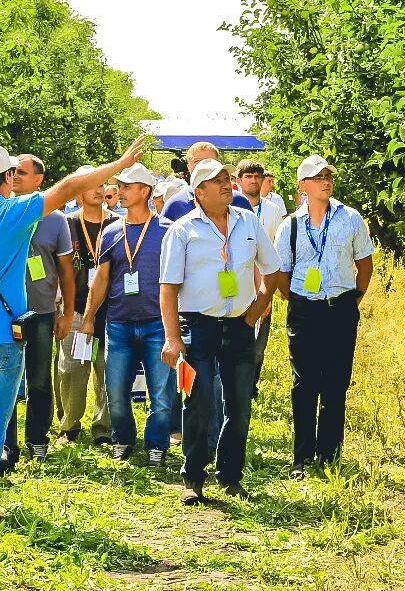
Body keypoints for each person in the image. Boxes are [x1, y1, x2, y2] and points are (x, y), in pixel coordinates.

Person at [0, 137, 145, 521]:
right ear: (8, 177)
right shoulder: (14, 212)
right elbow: (68, 188)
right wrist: (118, 164)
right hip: (3, 336)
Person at [160, 159, 280, 504]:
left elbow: (271, 271)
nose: (227, 184)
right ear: (199, 192)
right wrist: (172, 337)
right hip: (198, 327)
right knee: (198, 402)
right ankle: (193, 477)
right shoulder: (182, 230)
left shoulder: (249, 223)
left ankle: (230, 476)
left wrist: (255, 311)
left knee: (239, 405)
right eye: (217, 181)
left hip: (239, 326)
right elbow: (167, 288)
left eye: (228, 178)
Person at [273, 156, 374, 478]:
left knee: (335, 384)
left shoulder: (351, 218)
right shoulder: (290, 225)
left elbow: (365, 265)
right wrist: (303, 302)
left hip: (341, 308)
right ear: (302, 185)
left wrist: (350, 299)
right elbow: (281, 275)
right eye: (318, 177)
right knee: (304, 384)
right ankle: (301, 458)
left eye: (328, 175)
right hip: (304, 309)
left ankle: (330, 455)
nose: (326, 181)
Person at [81, 163, 174, 466]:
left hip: (157, 323)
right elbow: (102, 280)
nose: (119, 191)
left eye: (126, 186)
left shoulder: (167, 230)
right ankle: (123, 439)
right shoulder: (110, 231)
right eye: (118, 186)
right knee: (116, 391)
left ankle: (157, 444)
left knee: (160, 392)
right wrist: (88, 317)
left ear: (144, 191)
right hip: (118, 324)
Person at [0, 153, 75, 469]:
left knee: (39, 380)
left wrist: (67, 312)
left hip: (42, 312)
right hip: (5, 313)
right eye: (12, 171)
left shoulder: (56, 220)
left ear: (39, 180)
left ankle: (37, 440)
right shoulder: (0, 214)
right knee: (4, 379)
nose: (14, 176)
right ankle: (7, 445)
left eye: (21, 172)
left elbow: (66, 271)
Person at [60, 172, 117, 445]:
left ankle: (103, 428)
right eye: (91, 186)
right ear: (79, 193)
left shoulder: (117, 224)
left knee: (106, 370)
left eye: (101, 185)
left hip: (112, 310)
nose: (98, 190)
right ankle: (69, 425)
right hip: (76, 308)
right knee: (71, 369)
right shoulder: (67, 224)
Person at [235, 159, 286, 397]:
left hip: (265, 280)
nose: (254, 181)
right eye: (248, 176)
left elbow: (276, 249)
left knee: (259, 340)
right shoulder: (232, 207)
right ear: (239, 180)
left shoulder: (274, 210)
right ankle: (233, 383)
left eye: (257, 176)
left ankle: (250, 386)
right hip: (237, 280)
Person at [160, 142, 254, 221]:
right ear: (188, 167)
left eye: (209, 160)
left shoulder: (239, 200)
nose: (203, 165)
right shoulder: (175, 204)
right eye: (197, 161)